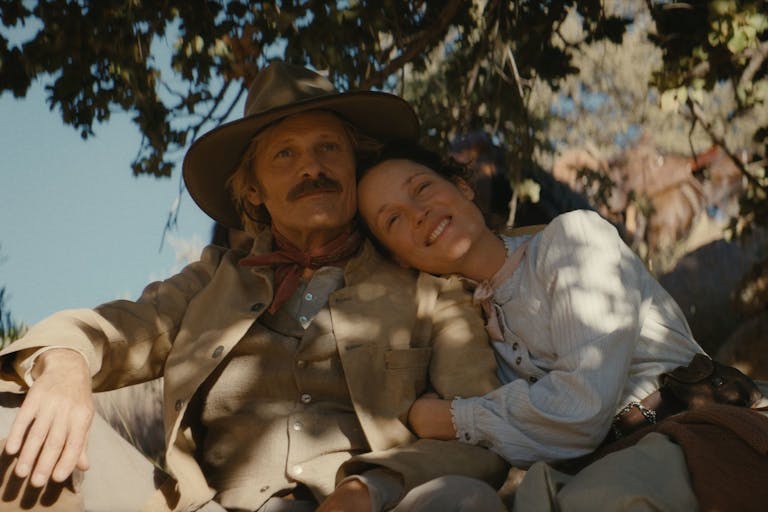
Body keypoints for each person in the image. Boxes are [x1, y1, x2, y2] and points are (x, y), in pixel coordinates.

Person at [0, 62, 509, 512]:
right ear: (253, 191)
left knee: (464, 501)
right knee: (11, 416)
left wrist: (371, 489)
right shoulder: (210, 280)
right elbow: (112, 330)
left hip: (378, 507)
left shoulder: (430, 290)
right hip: (210, 508)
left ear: (354, 164)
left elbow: (480, 434)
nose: (312, 168)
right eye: (285, 154)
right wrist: (64, 362)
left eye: (329, 147)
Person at [356, 143, 768, 511]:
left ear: (463, 187)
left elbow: (582, 406)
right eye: (393, 219)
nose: (418, 213)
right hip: (598, 472)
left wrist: (453, 418)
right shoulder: (467, 332)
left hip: (690, 434)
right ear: (398, 259)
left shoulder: (573, 239)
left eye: (422, 187)